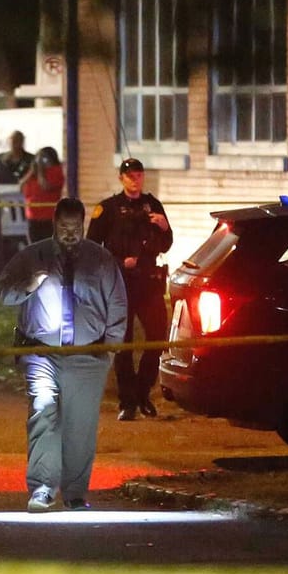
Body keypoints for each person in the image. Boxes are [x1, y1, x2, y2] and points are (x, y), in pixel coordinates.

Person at [0, 197, 127, 513]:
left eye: (76, 227)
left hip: (87, 355)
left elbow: (118, 305)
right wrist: (30, 284)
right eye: (64, 226)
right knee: (43, 412)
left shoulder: (100, 260)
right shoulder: (32, 256)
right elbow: (4, 292)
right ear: (54, 223)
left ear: (83, 225)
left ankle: (75, 493)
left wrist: (108, 350)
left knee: (80, 426)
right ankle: (42, 488)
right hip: (41, 353)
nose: (70, 233)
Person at [86, 157, 173, 420]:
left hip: (148, 282)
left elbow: (167, 243)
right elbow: (92, 248)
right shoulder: (108, 208)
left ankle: (143, 392)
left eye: (138, 175)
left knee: (157, 337)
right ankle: (128, 402)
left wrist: (164, 226)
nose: (134, 179)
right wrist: (118, 262)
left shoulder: (153, 205)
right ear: (121, 178)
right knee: (123, 344)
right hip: (120, 283)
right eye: (129, 175)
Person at [18, 146, 65, 242]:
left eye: (42, 158)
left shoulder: (56, 170)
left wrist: (40, 170)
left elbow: (45, 186)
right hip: (33, 217)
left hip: (48, 217)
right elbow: (21, 186)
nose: (40, 161)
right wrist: (32, 171)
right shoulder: (33, 174)